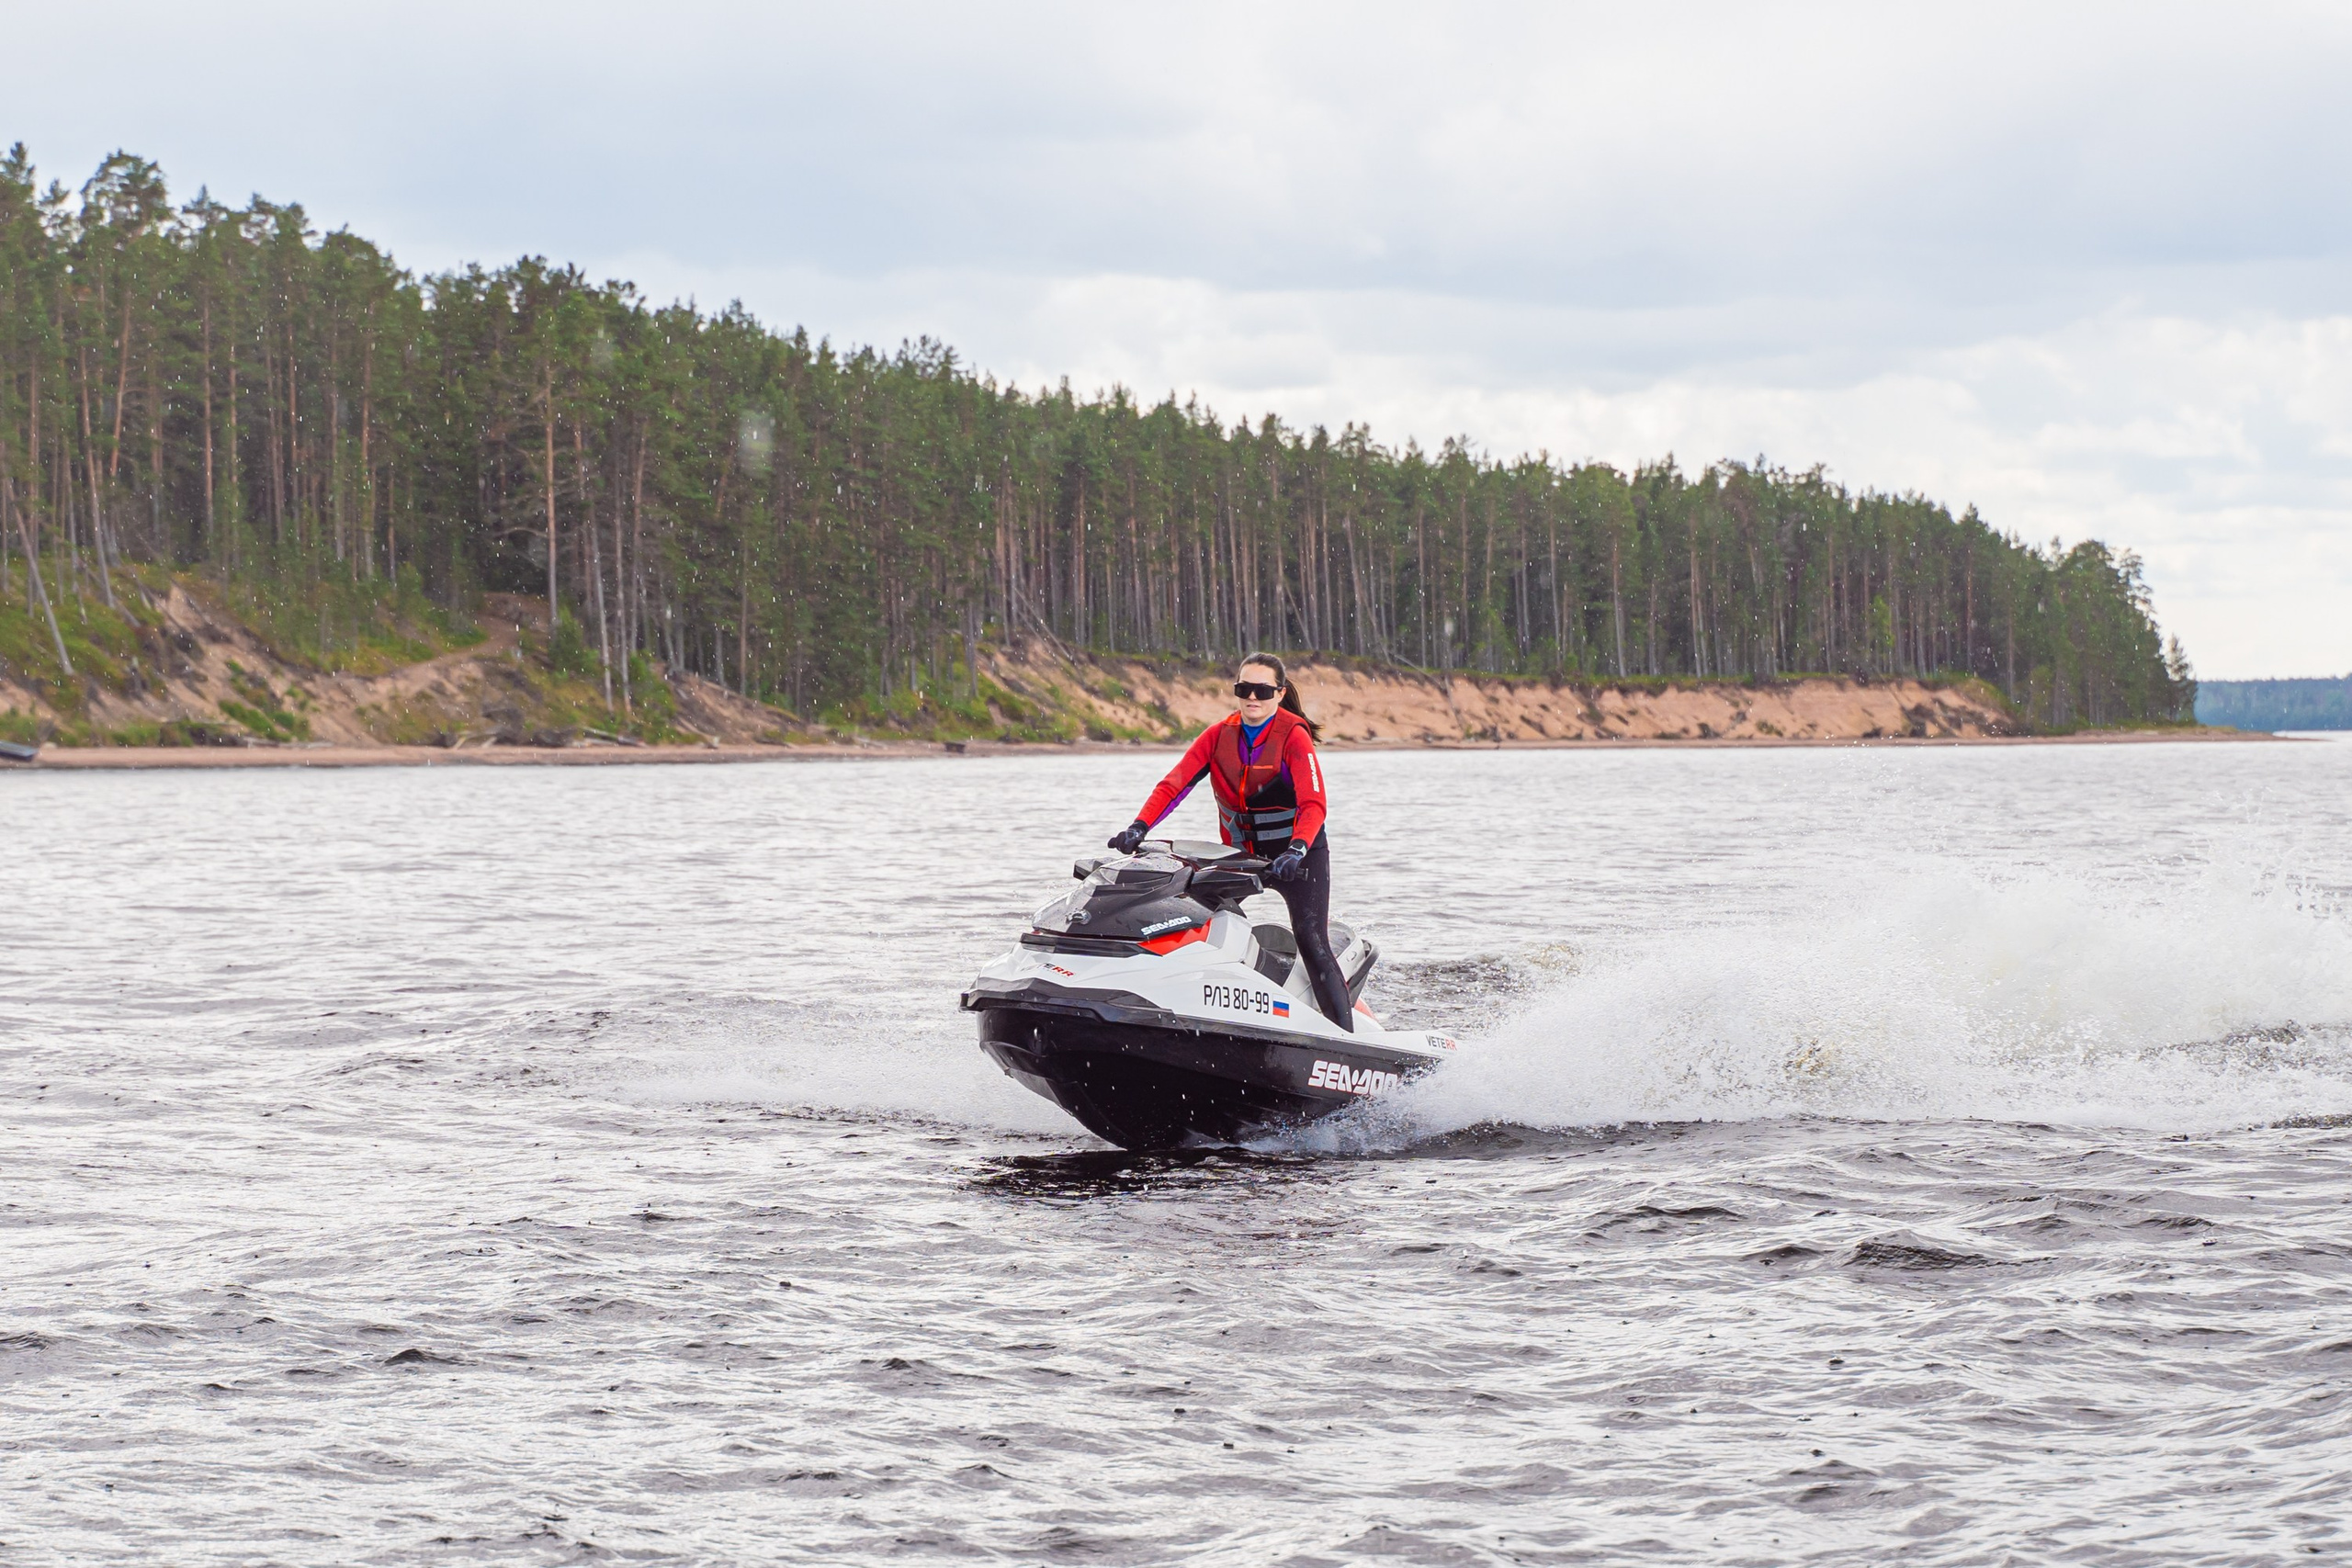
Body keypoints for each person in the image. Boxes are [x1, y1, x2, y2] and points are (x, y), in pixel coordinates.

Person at [1107, 653, 1353, 1032]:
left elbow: (1313, 804)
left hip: (1297, 857)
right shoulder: (1218, 736)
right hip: (1244, 857)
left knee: (1312, 940)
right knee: (1190, 918)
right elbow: (1174, 785)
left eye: (1262, 690)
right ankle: (1181, 1009)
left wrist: (1298, 848)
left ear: (1279, 693)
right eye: (1244, 689)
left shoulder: (1294, 735)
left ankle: (1345, 1038)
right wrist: (1139, 827)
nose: (1252, 698)